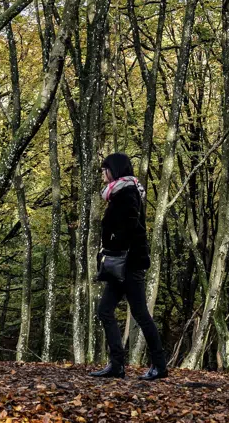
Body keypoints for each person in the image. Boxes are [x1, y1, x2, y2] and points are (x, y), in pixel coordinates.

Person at [89, 152, 168, 381]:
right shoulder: (121, 192)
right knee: (105, 310)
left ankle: (159, 366)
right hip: (119, 264)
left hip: (129, 264)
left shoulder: (127, 192)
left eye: (105, 170)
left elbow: (132, 227)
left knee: (140, 314)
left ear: (114, 170)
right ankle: (116, 365)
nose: (103, 174)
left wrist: (114, 243)